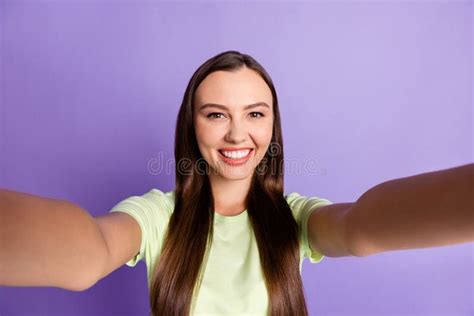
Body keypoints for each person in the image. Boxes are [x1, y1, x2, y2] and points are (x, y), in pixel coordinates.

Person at [0, 50, 472, 316]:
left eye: (254, 114)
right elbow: (92, 249)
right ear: (193, 127)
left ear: (272, 126)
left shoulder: (295, 219)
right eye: (216, 115)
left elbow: (360, 229)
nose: (237, 134)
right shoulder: (158, 215)